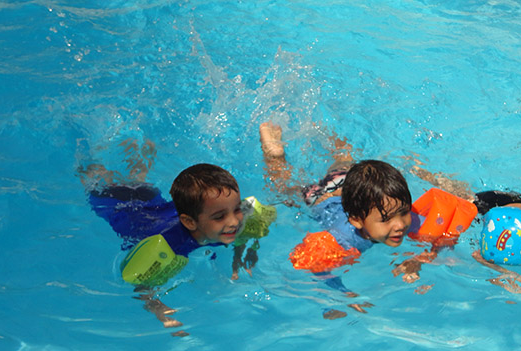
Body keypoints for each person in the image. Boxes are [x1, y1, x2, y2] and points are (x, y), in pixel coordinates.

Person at [80, 141, 260, 336]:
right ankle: (85, 156)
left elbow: (243, 235)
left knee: (136, 182)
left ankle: (136, 168)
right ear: (190, 222)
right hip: (115, 205)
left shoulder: (220, 226)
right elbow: (142, 285)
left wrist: (238, 259)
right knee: (93, 176)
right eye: (220, 216)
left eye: (236, 210)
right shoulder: (172, 245)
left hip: (150, 199)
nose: (234, 222)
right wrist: (161, 312)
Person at [260, 122, 416, 317]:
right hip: (322, 198)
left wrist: (419, 260)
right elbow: (310, 263)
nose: (400, 225)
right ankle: (275, 157)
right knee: (285, 188)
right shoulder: (344, 240)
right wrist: (344, 294)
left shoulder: (390, 209)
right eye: (386, 220)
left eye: (404, 212)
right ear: (357, 221)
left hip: (346, 180)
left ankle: (320, 128)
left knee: (345, 158)